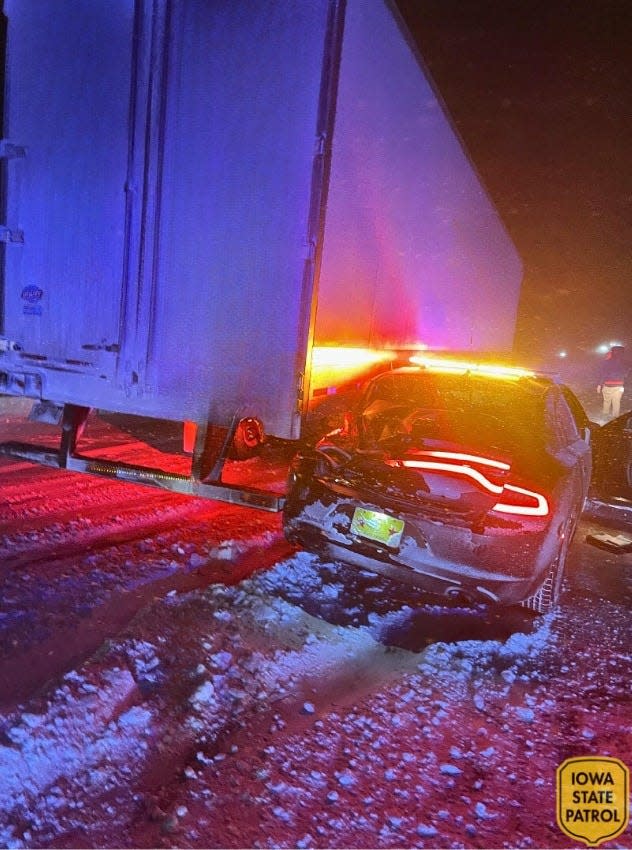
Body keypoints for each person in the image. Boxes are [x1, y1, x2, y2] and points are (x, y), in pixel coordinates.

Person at [597, 345, 628, 420]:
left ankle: (605, 416)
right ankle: (615, 418)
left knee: (607, 401)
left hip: (608, 384)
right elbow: (626, 374)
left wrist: (599, 385)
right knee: (616, 402)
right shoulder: (624, 362)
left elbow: (603, 374)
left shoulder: (606, 362)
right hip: (619, 385)